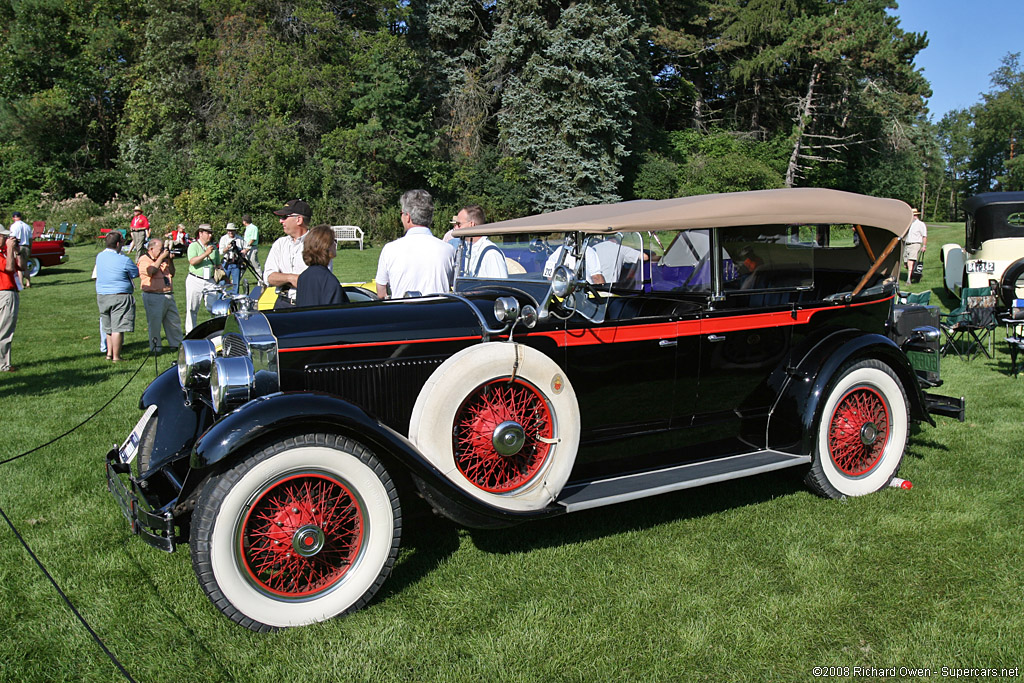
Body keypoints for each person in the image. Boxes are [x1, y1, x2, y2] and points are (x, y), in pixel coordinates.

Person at [375, 189, 455, 298]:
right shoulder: (448, 250)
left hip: (403, 313)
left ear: (407, 217)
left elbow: (381, 293)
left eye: (401, 214)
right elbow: (454, 284)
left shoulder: (390, 249)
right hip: (438, 312)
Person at [95, 231, 139, 362]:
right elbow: (135, 273)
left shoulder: (100, 256)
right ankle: (116, 356)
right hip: (119, 296)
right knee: (118, 328)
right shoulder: (123, 259)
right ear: (119, 243)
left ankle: (109, 354)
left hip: (102, 295)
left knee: (108, 328)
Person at [137, 237, 183, 354]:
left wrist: (170, 260)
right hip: (153, 295)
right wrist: (162, 257)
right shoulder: (144, 259)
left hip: (168, 294)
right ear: (151, 249)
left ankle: (176, 344)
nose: (163, 251)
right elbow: (151, 271)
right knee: (155, 323)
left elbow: (172, 273)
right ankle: (156, 347)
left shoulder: (163, 259)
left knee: (174, 322)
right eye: (160, 249)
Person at [265, 199, 312, 308]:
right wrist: (291, 278)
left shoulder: (317, 244)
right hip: (282, 303)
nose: (281, 221)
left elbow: (318, 282)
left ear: (299, 219)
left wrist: (281, 278)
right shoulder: (280, 244)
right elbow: (269, 277)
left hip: (308, 304)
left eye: (284, 217)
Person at [296, 225, 347, 307]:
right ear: (326, 246)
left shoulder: (303, 277)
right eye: (334, 241)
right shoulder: (330, 281)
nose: (335, 244)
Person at [452, 205, 507, 279]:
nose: (455, 228)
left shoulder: (491, 254)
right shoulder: (464, 250)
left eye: (459, 224)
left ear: (471, 225)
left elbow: (500, 287)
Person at [185, 224, 220, 333]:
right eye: (207, 233)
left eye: (211, 233)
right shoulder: (193, 246)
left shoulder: (213, 247)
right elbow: (192, 261)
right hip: (196, 279)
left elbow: (218, 264)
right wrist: (206, 253)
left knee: (215, 308)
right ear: (200, 233)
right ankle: (190, 333)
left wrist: (225, 278)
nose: (210, 235)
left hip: (210, 280)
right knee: (192, 308)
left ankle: (215, 331)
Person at [0, 227, 24, 371]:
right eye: (4, 237)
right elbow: (9, 268)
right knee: (5, 331)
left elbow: (20, 266)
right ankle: (3, 364)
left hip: (8, 292)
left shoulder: (3, 252)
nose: (7, 239)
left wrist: (17, 251)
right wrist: (10, 249)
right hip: (5, 294)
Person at [219, 223, 245, 295]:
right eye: (229, 230)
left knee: (236, 283)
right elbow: (221, 252)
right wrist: (227, 248)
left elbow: (247, 247)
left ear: (235, 231)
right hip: (226, 262)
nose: (230, 232)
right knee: (222, 282)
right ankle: (220, 298)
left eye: (232, 230)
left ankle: (235, 299)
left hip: (236, 263)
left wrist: (243, 252)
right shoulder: (223, 239)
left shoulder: (240, 239)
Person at [9, 211, 32, 288]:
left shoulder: (14, 226)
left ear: (13, 218)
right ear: (20, 217)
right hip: (26, 246)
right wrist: (30, 247)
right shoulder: (27, 226)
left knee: (19, 267)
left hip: (19, 246)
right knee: (25, 266)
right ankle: (28, 283)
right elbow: (30, 239)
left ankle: (21, 284)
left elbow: (13, 238)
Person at [905, 208, 928, 284]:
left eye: (914, 215)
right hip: (907, 244)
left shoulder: (921, 224)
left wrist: (924, 246)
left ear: (916, 215)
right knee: (906, 263)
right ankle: (915, 275)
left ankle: (908, 279)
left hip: (915, 244)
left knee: (910, 261)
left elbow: (924, 236)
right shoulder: (908, 224)